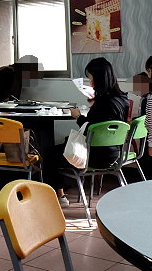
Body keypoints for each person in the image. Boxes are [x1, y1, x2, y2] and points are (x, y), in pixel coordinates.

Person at [43, 57, 131, 203]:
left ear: (99, 79)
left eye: (90, 78)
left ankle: (59, 196)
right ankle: (60, 194)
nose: (90, 82)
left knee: (50, 153)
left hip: (94, 156)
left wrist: (78, 116)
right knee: (62, 146)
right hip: (116, 154)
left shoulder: (103, 103)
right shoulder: (122, 99)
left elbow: (90, 130)